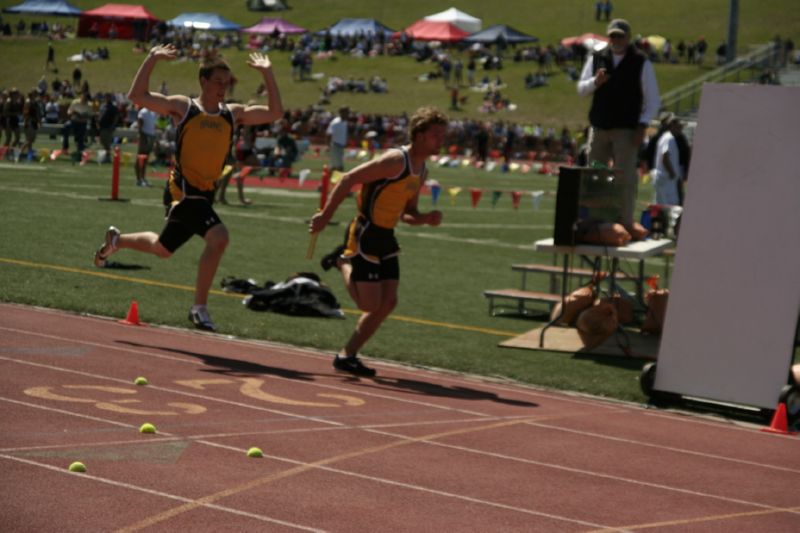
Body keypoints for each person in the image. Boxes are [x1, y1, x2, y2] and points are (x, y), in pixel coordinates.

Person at [92, 44, 283, 332]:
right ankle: (199, 308)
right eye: (218, 81)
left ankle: (117, 241)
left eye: (227, 82)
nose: (223, 87)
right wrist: (152, 58)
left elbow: (275, 112)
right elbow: (137, 96)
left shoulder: (234, 113)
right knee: (219, 238)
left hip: (204, 195)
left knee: (163, 249)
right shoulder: (185, 107)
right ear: (204, 81)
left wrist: (268, 73)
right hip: (183, 191)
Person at [309, 107, 448, 377]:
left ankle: (347, 356)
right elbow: (349, 179)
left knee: (388, 303)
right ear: (419, 135)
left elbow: (408, 213)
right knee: (369, 305)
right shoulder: (396, 160)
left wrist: (426, 218)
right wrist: (326, 216)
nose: (441, 140)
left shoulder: (421, 171)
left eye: (443, 135)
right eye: (436, 135)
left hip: (386, 236)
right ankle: (341, 261)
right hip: (365, 232)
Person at [577, 19, 660, 240]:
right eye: (612, 36)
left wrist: (643, 125)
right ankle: (596, 220)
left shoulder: (641, 62)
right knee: (595, 173)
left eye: (620, 36)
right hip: (599, 127)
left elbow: (653, 101)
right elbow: (581, 88)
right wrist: (596, 82)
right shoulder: (597, 56)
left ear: (628, 38)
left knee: (624, 176)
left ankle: (624, 220)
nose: (616, 40)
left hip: (626, 129)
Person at [651, 114, 683, 206]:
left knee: (661, 205)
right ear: (672, 125)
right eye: (679, 126)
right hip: (666, 179)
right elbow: (665, 157)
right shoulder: (669, 139)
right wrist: (672, 173)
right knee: (668, 206)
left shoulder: (666, 137)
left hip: (665, 179)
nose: (680, 129)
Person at [135, 105, 158, 186]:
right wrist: (142, 137)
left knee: (146, 159)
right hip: (145, 136)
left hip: (151, 136)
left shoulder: (153, 112)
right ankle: (138, 179)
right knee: (140, 157)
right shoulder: (143, 112)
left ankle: (143, 178)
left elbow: (153, 125)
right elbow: (140, 125)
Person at [326, 106, 349, 172]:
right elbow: (328, 134)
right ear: (341, 113)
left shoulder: (345, 122)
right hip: (335, 145)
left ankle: (327, 181)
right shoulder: (335, 122)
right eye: (346, 112)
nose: (348, 114)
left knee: (334, 166)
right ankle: (341, 181)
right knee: (339, 167)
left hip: (341, 146)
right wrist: (328, 146)